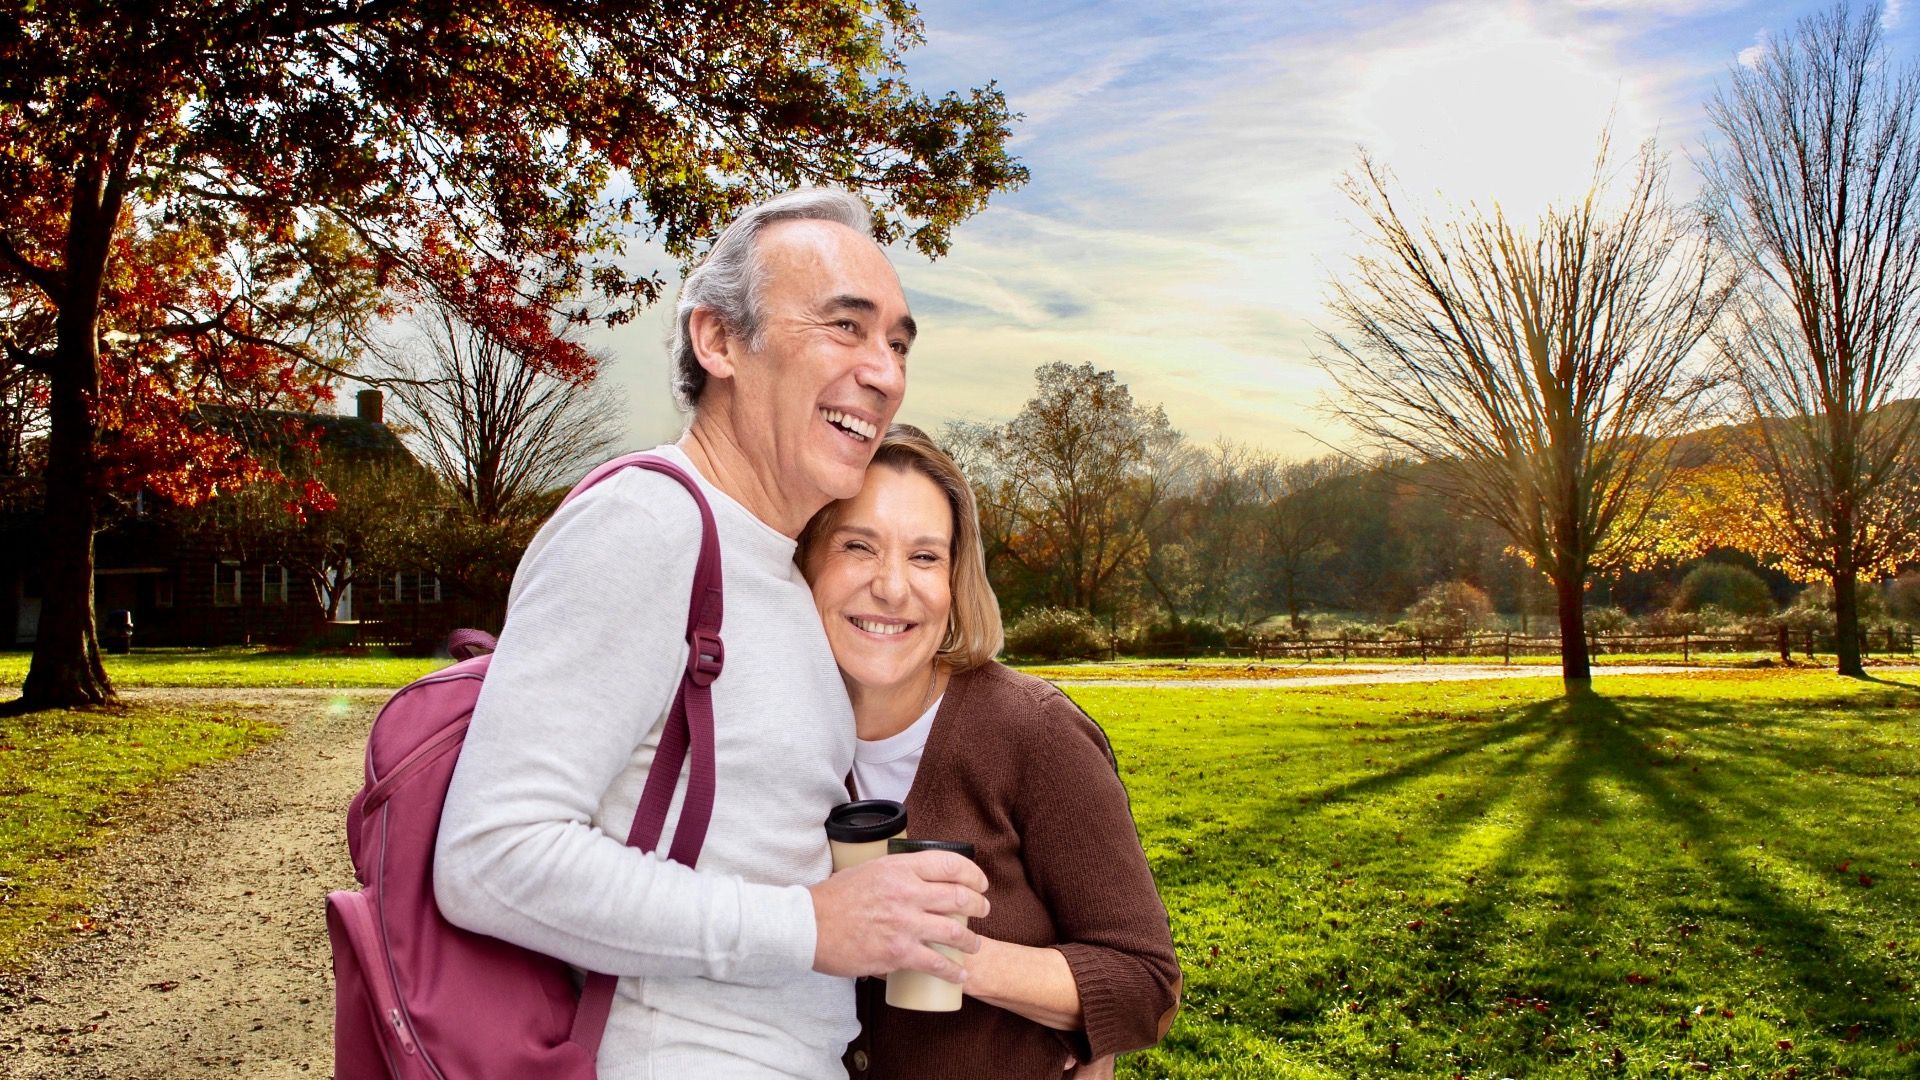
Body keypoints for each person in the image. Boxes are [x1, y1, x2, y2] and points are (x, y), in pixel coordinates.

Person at [434, 190, 991, 1079]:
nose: (884, 372)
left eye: (896, 342)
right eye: (845, 327)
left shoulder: (773, 561)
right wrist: (808, 925)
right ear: (719, 341)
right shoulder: (646, 523)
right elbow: (492, 856)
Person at [797, 425, 1182, 1078]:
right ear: (807, 560)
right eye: (859, 546)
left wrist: (947, 950)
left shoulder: (1034, 733)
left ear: (955, 582)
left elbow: (1144, 984)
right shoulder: (758, 733)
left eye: (925, 557)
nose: (892, 588)